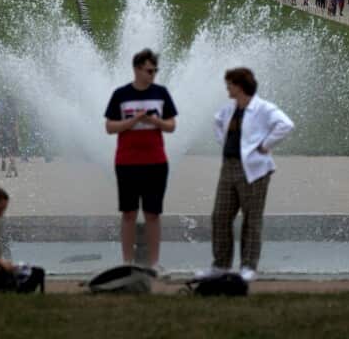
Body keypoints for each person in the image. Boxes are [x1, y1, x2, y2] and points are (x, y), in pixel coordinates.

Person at [199, 67, 294, 283]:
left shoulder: (263, 108)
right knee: (220, 216)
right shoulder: (230, 108)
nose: (227, 88)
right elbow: (217, 122)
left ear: (240, 86)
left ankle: (249, 266)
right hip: (229, 166)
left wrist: (266, 144)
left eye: (230, 84)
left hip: (255, 170)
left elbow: (286, 124)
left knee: (251, 219)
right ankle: (221, 265)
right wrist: (225, 143)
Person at [104, 48, 178, 269]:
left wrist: (155, 121)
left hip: (156, 162)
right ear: (137, 69)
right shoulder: (121, 94)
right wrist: (132, 121)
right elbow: (109, 127)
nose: (152, 74)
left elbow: (172, 125)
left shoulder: (161, 93)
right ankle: (127, 262)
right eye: (148, 70)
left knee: (152, 214)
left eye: (155, 70)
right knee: (128, 213)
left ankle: (154, 263)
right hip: (126, 162)